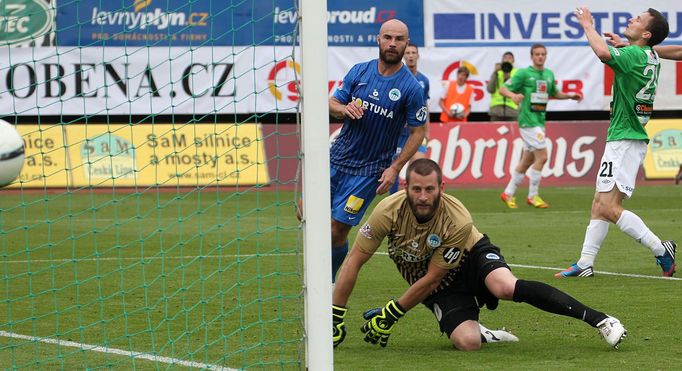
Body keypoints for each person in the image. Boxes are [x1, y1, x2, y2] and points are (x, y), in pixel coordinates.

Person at [331, 159, 627, 351]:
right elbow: (354, 259)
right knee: (468, 343)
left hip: (469, 257)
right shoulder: (387, 211)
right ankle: (487, 333)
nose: (423, 196)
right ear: (406, 187)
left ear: (441, 188)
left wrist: (391, 313)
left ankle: (601, 321)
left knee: (505, 286)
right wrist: (335, 315)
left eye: (430, 189)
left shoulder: (458, 218)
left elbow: (434, 278)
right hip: (437, 283)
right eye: (417, 189)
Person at [556, 7, 675, 278]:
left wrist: (587, 24)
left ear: (646, 33)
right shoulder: (650, 54)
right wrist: (630, 45)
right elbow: (670, 51)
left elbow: (602, 53)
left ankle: (660, 249)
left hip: (624, 138)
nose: (632, 19)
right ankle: (585, 263)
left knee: (609, 207)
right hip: (628, 138)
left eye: (638, 19)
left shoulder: (634, 54)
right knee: (600, 203)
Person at [327, 19, 427, 282]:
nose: (392, 43)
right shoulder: (359, 72)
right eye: (388, 37)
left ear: (407, 45)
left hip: (368, 171)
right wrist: (344, 109)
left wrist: (395, 167)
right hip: (336, 159)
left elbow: (418, 132)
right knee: (304, 211)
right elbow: (333, 102)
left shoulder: (411, 88)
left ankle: (327, 282)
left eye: (399, 39)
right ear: (378, 40)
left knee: (337, 229)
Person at [498, 44, 583, 209]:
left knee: (527, 160)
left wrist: (570, 96)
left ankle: (508, 193)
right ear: (531, 56)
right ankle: (533, 196)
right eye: (537, 54)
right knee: (542, 157)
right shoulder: (523, 74)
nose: (540, 57)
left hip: (539, 121)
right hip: (528, 122)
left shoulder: (548, 74)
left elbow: (554, 93)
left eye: (543, 54)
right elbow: (503, 89)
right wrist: (513, 95)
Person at [390, 43, 431, 194]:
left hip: (416, 131)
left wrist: (427, 129)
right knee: (394, 166)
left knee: (419, 164)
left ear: (418, 56)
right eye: (408, 53)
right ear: (403, 56)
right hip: (398, 132)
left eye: (414, 52)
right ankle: (392, 202)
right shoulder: (397, 79)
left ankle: (411, 200)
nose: (411, 55)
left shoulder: (424, 81)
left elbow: (424, 106)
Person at [487, 51, 519, 121]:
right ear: (502, 60)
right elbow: (490, 89)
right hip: (496, 110)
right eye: (505, 58)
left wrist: (508, 77)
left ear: (513, 61)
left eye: (510, 58)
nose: (507, 60)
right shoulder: (497, 72)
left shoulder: (517, 73)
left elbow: (518, 91)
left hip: (512, 110)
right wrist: (495, 72)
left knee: (513, 131)